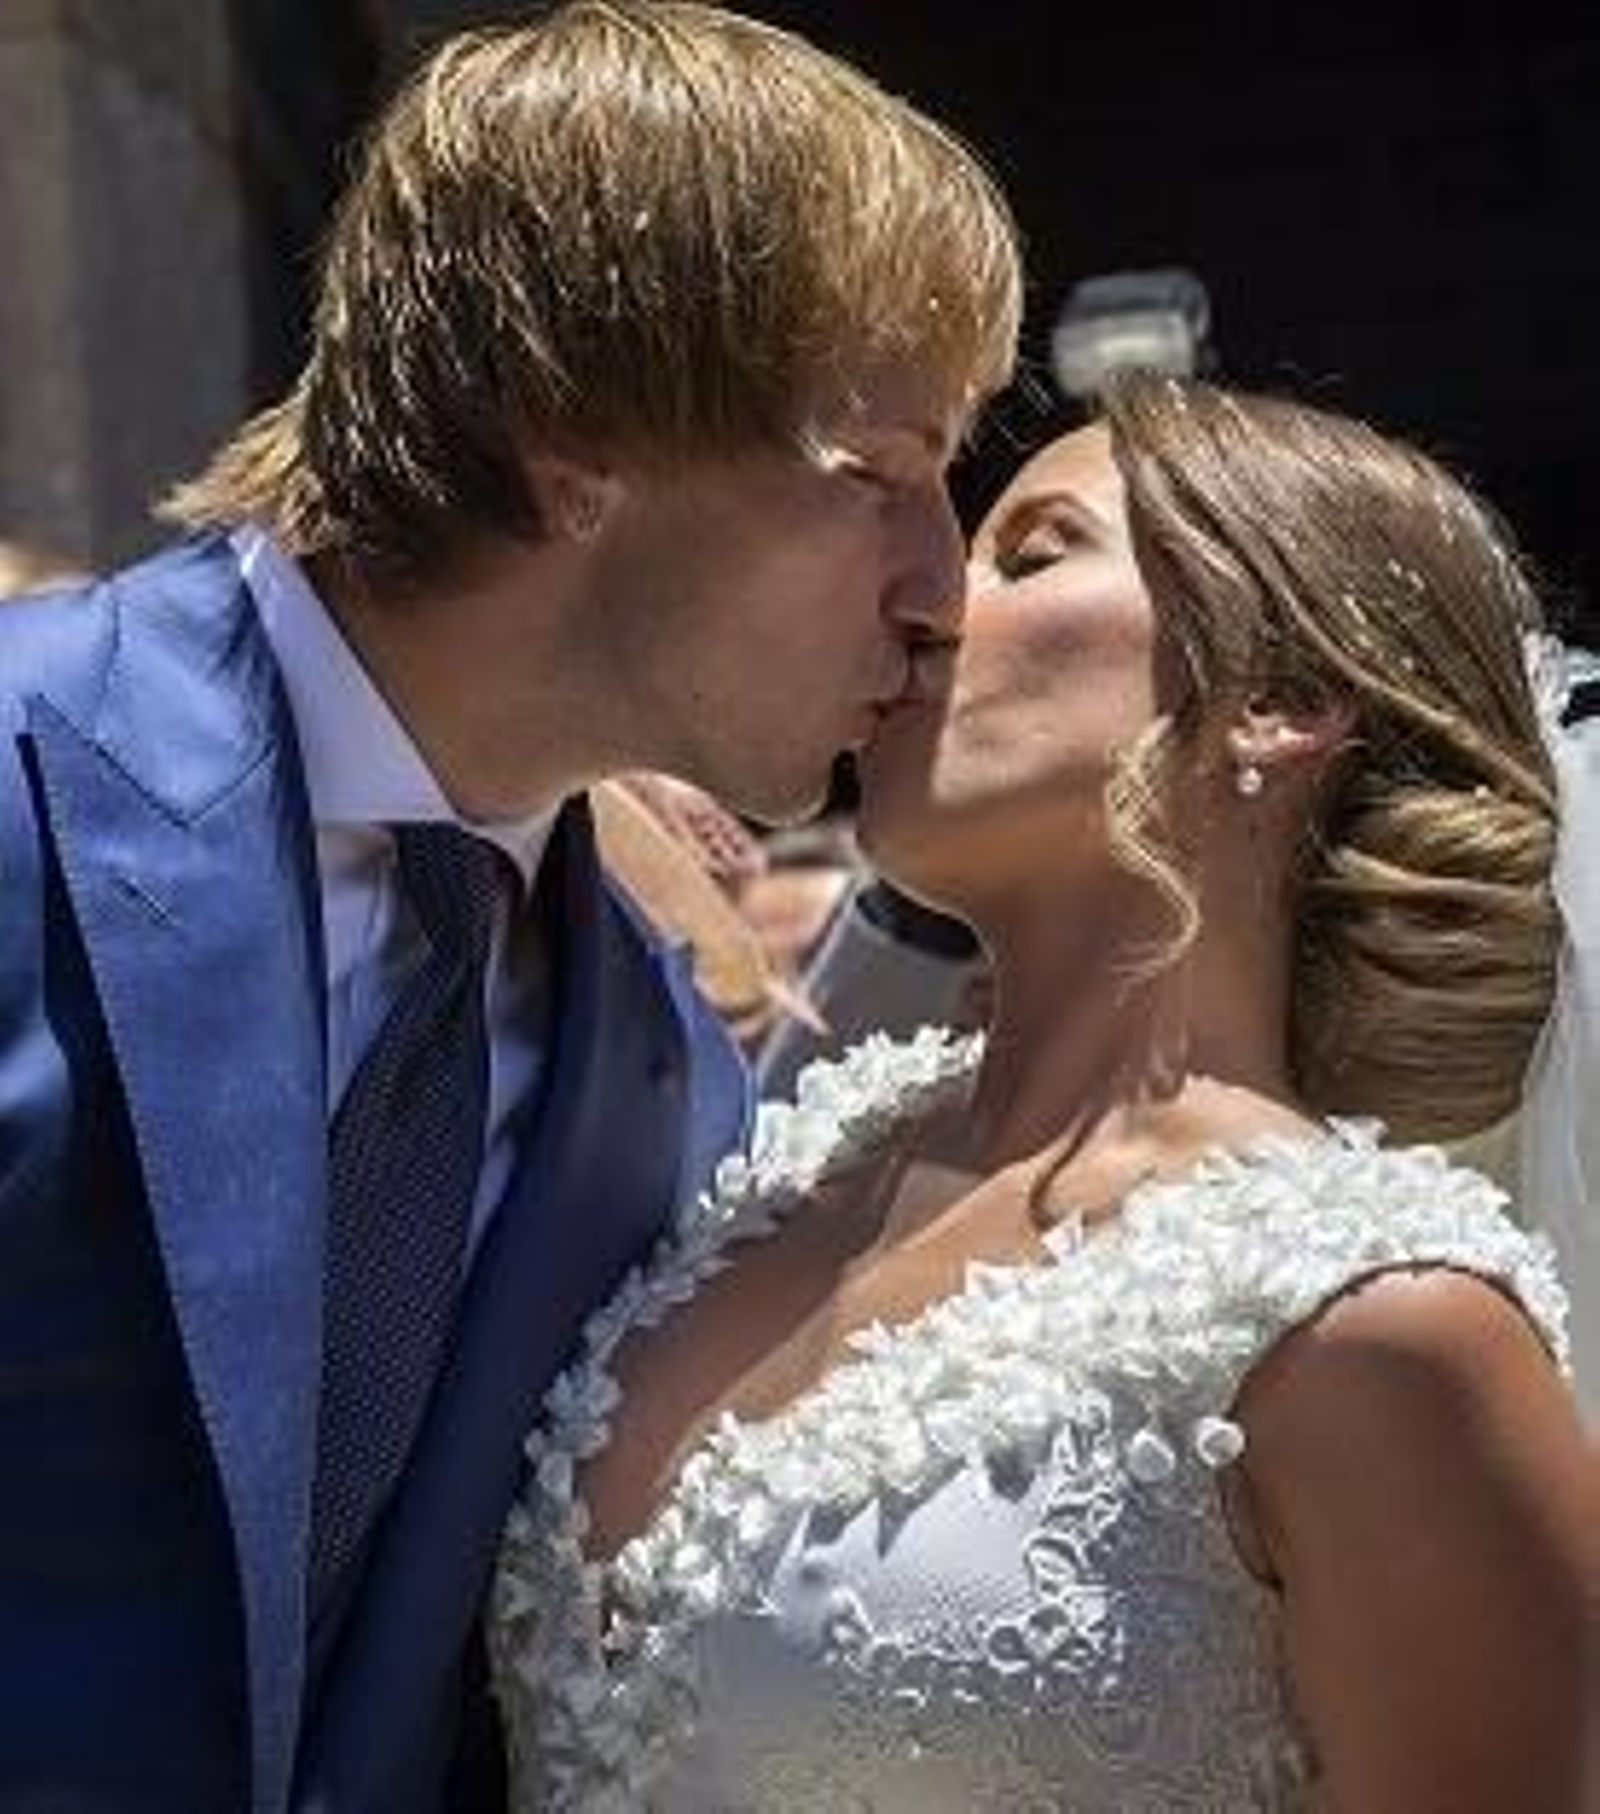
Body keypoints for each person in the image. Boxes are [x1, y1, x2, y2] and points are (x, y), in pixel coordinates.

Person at [0, 4, 1021, 1809]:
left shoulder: (657, 1057)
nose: (944, 585)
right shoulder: (24, 775)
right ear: (570, 438)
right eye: (876, 474)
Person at [491, 373, 1600, 1811]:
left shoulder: (1378, 1322)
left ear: (1278, 702)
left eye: (1033, 552)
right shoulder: (762, 1178)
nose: (932, 600)